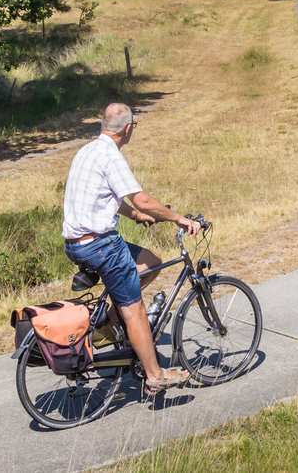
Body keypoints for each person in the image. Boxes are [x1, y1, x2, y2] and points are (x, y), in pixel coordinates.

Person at [62, 103, 200, 396]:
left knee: (150, 262)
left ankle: (111, 325)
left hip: (76, 243)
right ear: (128, 129)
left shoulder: (87, 151)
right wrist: (179, 219)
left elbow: (114, 197)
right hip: (100, 246)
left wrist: (135, 216)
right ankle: (155, 375)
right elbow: (143, 199)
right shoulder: (111, 156)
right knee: (134, 308)